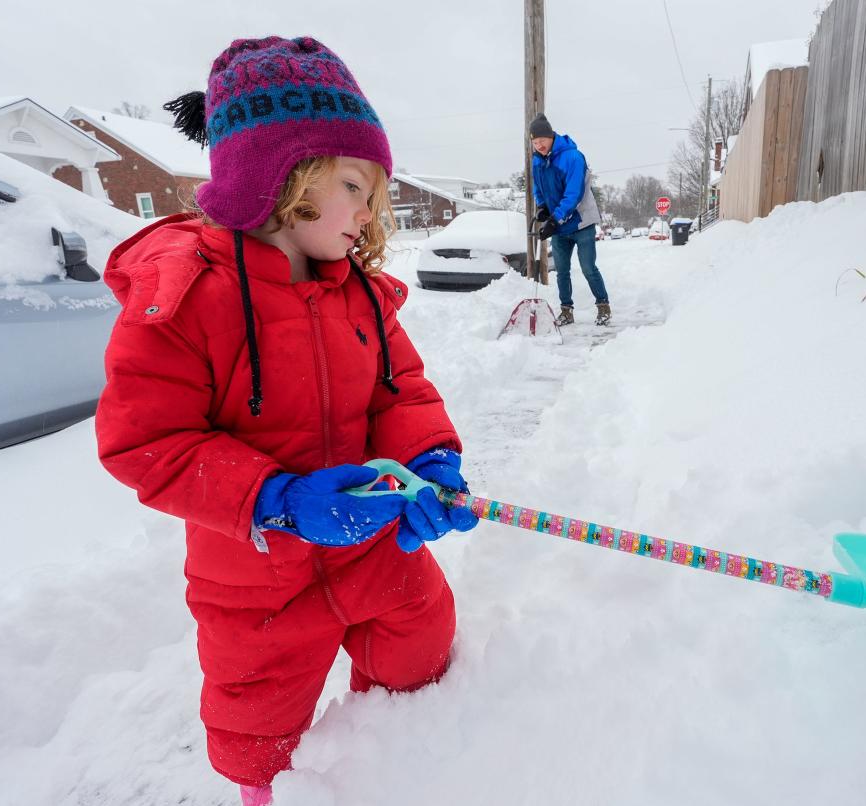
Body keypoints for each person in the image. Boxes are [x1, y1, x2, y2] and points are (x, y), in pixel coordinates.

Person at [94, 37, 478, 806]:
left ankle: (405, 770)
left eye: (374, 193)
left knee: (424, 642)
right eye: (352, 186)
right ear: (282, 178)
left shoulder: (360, 293)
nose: (369, 214)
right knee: (256, 728)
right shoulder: (186, 294)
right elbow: (147, 440)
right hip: (253, 572)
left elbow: (400, 393)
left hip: (371, 539)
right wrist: (275, 500)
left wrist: (430, 461)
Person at [529, 113, 612, 326]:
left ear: (551, 137)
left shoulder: (573, 157)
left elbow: (573, 193)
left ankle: (603, 306)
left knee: (588, 268)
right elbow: (538, 188)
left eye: (542, 141)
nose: (539, 145)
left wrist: (555, 219)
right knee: (561, 271)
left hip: (581, 221)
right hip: (560, 225)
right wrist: (542, 208)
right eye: (535, 142)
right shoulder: (537, 161)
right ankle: (566, 311)